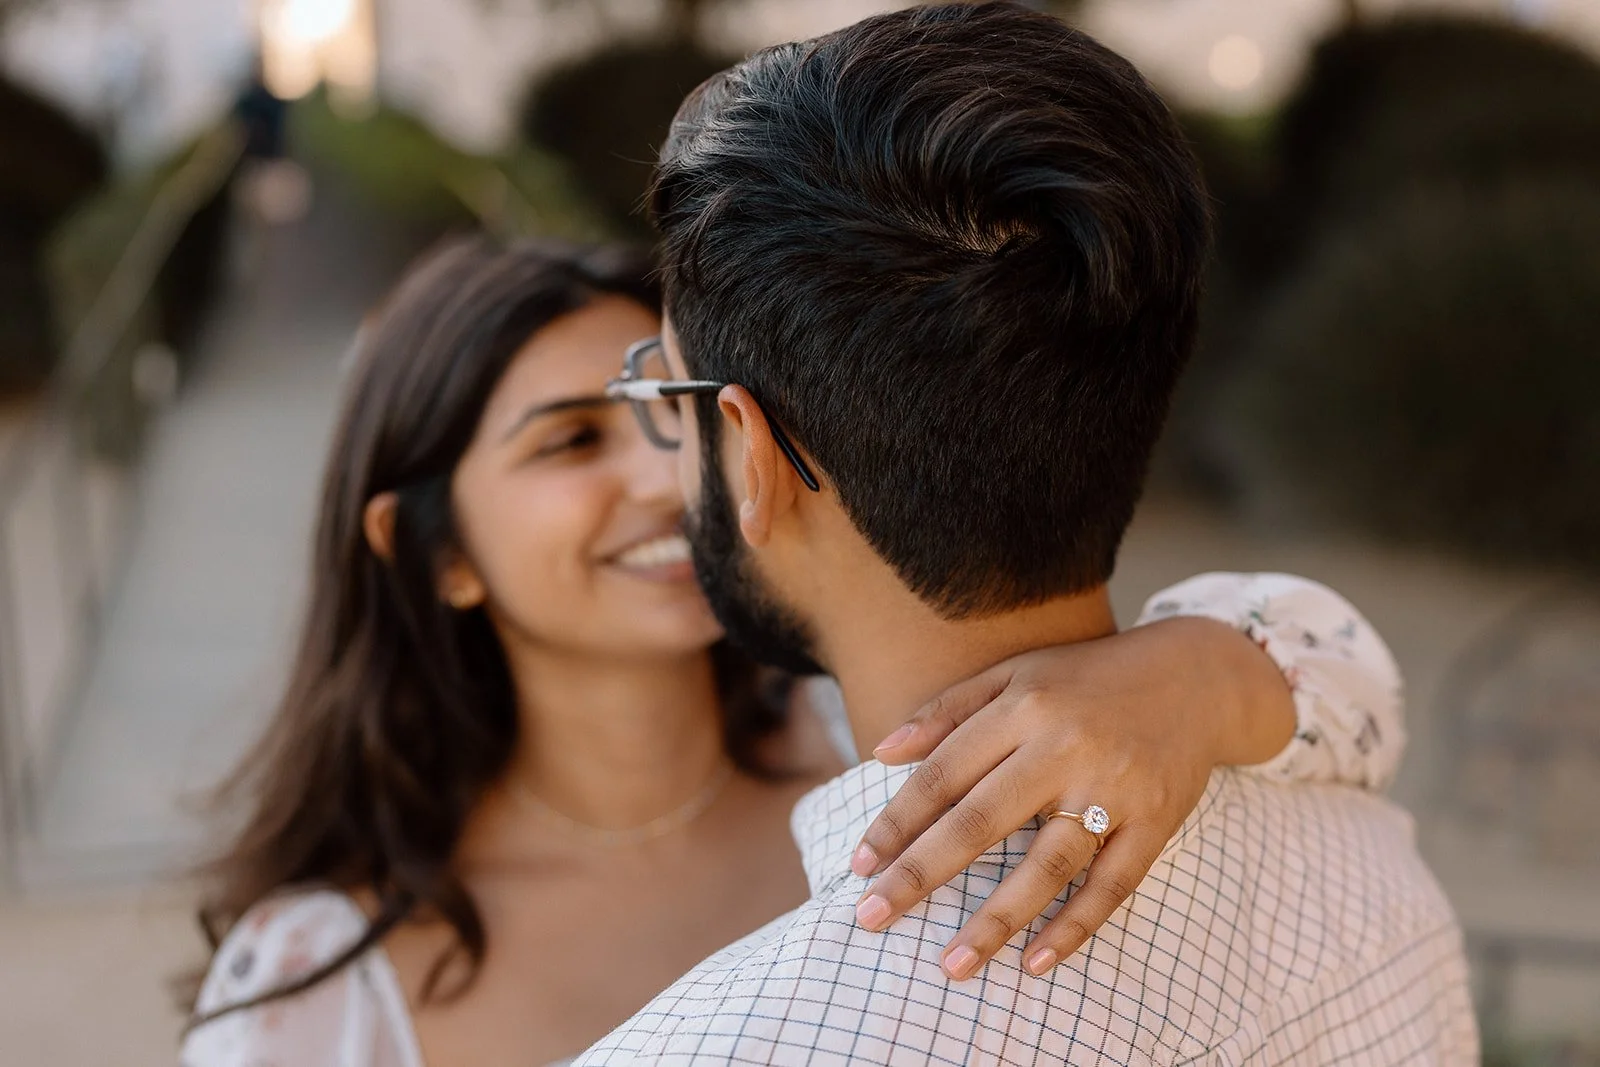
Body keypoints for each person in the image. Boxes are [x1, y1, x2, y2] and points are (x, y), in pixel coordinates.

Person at [181, 238, 1407, 1067]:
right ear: (431, 552)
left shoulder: (887, 736)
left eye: (667, 413)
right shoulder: (313, 982)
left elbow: (1356, 688)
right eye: (566, 445)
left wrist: (1193, 672)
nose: (666, 477)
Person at [578, 4, 1477, 1063]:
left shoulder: (721, 1044)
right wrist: (1211, 667)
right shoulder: (1361, 849)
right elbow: (1339, 667)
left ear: (749, 453)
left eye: (664, 396)